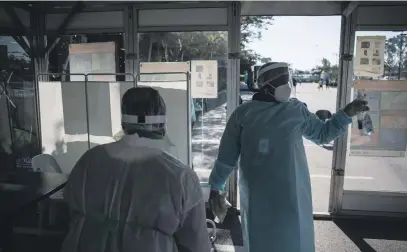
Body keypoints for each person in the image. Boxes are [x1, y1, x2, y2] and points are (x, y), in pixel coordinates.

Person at [208, 62, 369, 252]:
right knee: (261, 241)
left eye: (287, 79)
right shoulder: (243, 114)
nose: (287, 85)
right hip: (258, 197)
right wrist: (216, 187)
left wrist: (346, 113)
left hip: (292, 196)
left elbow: (323, 134)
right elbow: (227, 156)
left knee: (295, 240)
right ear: (265, 84)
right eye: (281, 81)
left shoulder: (296, 110)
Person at [61, 87, 211, 252]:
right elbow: (197, 244)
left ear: (123, 123)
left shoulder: (89, 160)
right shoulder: (180, 176)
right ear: (162, 123)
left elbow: (69, 208)